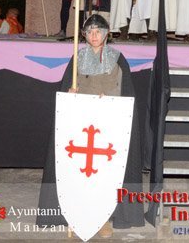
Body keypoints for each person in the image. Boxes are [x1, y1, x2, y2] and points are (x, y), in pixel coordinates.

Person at [36, 14, 144, 234]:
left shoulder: (118, 59)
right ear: (84, 35)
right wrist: (70, 93)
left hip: (108, 125)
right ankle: (76, 216)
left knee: (105, 175)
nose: (94, 36)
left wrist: (110, 98)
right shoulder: (78, 58)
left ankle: (103, 218)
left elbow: (126, 93)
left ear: (106, 34)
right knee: (79, 175)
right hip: (82, 125)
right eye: (90, 32)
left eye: (98, 32)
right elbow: (66, 92)